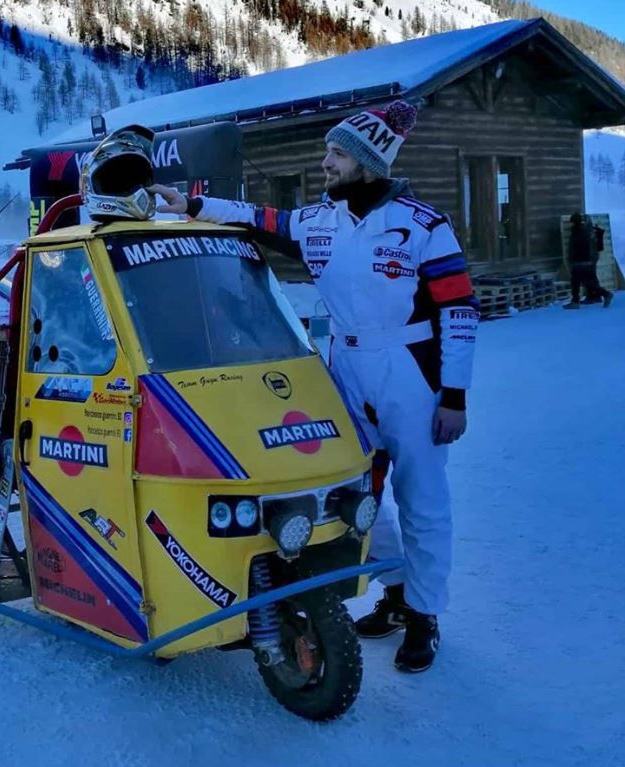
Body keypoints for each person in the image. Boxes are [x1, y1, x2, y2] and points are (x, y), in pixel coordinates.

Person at [149, 100, 477, 673]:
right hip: (344, 367)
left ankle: (425, 617)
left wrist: (454, 394)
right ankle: (396, 593)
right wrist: (194, 205)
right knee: (357, 493)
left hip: (411, 368)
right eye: (328, 151)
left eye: (337, 154)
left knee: (422, 497)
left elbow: (459, 310)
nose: (324, 162)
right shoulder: (318, 220)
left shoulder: (424, 224)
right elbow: (259, 219)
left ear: (369, 163)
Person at [564, 213, 612, 309]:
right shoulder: (585, 231)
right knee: (578, 282)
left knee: (584, 282)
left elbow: (577, 248)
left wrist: (575, 260)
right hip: (584, 261)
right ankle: (576, 301)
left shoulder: (579, 232)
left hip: (580, 262)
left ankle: (606, 294)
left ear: (574, 222)